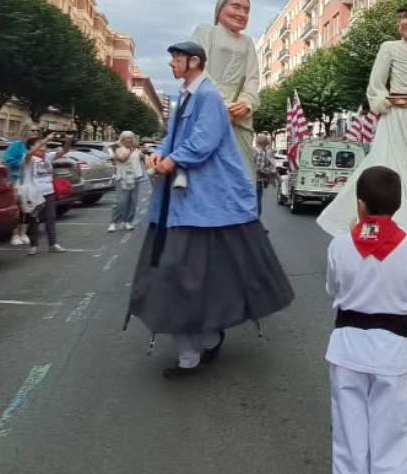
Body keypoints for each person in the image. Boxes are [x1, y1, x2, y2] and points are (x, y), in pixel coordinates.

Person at [125, 41, 294, 378]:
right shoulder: (187, 96)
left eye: (177, 58)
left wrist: (171, 160)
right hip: (187, 205)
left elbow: (203, 141)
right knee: (184, 276)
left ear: (194, 61)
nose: (172, 63)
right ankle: (203, 340)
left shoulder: (207, 96)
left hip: (204, 204)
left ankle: (198, 346)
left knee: (182, 275)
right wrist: (160, 153)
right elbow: (174, 138)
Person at [318, 0, 407, 238]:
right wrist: (387, 102)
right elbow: (376, 88)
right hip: (395, 120)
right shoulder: (388, 48)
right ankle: (381, 232)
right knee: (389, 173)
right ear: (398, 23)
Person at [325, 166, 407, 474]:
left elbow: (332, 289)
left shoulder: (340, 244)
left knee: (348, 438)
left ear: (360, 205)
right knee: (391, 439)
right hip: (392, 350)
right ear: (397, 205)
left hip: (347, 348)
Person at [192, 0, 261, 174]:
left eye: (246, 10)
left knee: (242, 171)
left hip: (240, 114)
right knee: (206, 168)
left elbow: (253, 78)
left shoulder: (248, 42)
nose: (242, 14)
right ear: (220, 9)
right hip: (209, 106)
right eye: (236, 7)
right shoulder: (206, 32)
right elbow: (197, 69)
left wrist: (247, 102)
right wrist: (222, 105)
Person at [21, 133, 70, 255]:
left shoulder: (48, 157)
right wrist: (46, 139)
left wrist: (68, 140)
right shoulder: (28, 158)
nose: (43, 147)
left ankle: (53, 244)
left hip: (49, 192)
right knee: (34, 220)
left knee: (50, 218)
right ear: (32, 147)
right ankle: (34, 245)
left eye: (44, 145)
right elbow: (30, 153)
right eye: (40, 145)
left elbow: (64, 151)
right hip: (34, 194)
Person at [4, 122, 41, 246]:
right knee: (17, 208)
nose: (35, 133)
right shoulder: (17, 146)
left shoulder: (36, 146)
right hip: (17, 180)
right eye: (32, 130)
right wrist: (23, 162)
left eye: (37, 131)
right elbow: (8, 161)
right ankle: (14, 234)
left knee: (28, 208)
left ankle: (23, 233)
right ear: (25, 131)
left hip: (31, 182)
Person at [109, 131, 145, 233]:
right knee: (121, 201)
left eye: (131, 138)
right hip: (122, 178)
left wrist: (143, 156)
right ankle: (113, 222)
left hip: (135, 177)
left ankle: (128, 221)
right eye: (127, 138)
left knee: (133, 201)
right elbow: (122, 159)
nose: (129, 140)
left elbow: (142, 159)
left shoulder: (136, 150)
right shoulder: (117, 149)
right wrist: (131, 150)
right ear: (122, 139)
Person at [253, 133, 277, 217]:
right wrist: (270, 172)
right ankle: (256, 219)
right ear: (264, 143)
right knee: (257, 201)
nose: (267, 145)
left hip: (250, 180)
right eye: (267, 143)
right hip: (257, 181)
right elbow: (259, 169)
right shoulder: (261, 153)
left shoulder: (252, 150)